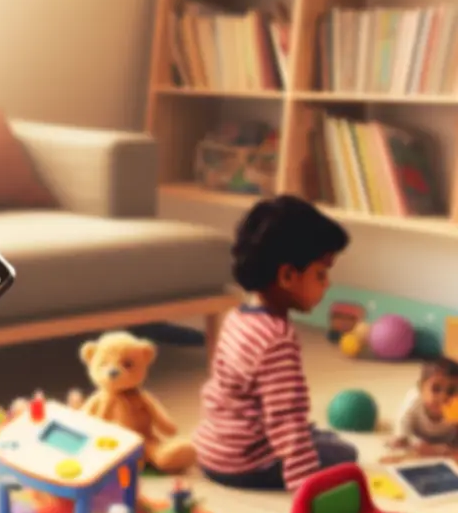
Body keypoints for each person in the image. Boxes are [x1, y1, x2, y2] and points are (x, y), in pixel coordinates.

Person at [194, 196, 357, 491]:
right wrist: (306, 486)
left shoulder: (237, 316)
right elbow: (286, 419)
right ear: (287, 276)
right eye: (321, 274)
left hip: (212, 450)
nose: (328, 284)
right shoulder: (277, 340)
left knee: (320, 438)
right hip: (246, 464)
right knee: (345, 454)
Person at [389, 358, 458, 453]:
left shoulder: (455, 405)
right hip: (418, 437)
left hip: (446, 440)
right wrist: (402, 437)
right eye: (436, 389)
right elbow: (403, 421)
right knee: (398, 444)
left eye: (451, 391)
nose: (443, 397)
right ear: (421, 388)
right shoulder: (414, 401)